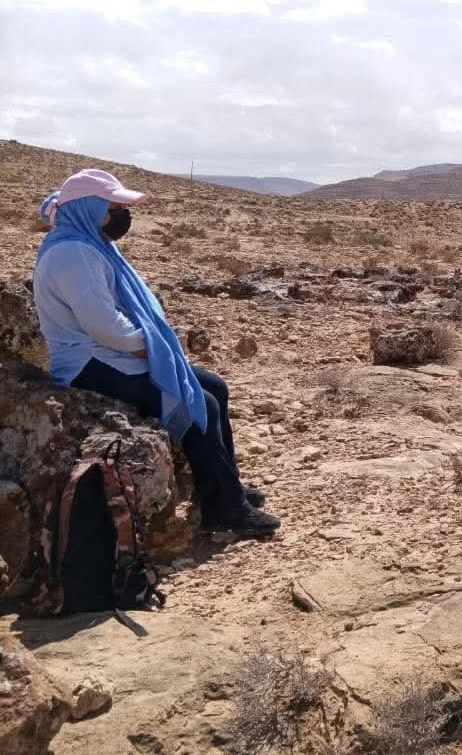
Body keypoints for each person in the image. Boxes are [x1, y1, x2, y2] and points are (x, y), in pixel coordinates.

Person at [32, 169, 280, 538]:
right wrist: (151, 348)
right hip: (89, 363)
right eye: (114, 207)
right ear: (89, 209)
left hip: (111, 354)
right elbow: (105, 325)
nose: (122, 215)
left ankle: (225, 485)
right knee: (199, 402)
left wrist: (154, 349)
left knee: (215, 386)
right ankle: (224, 509)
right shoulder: (73, 253)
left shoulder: (89, 243)